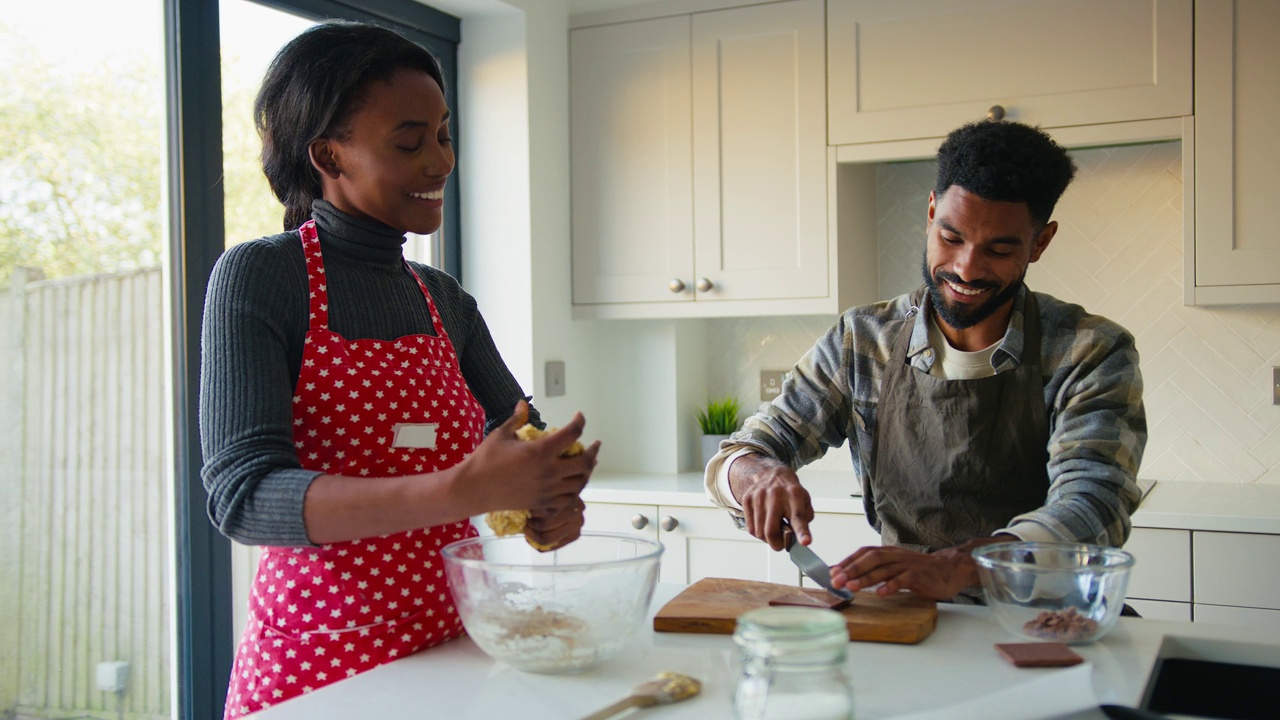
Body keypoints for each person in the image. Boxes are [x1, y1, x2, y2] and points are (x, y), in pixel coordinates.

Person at [198, 21, 600, 718]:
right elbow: (243, 495)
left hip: (457, 655)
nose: (440, 162)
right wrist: (455, 491)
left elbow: (524, 445)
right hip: (319, 667)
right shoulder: (262, 276)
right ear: (329, 154)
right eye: (409, 142)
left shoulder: (446, 301)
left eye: (443, 136)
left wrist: (550, 501)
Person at [704, 120, 1146, 604]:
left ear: (1040, 243)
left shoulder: (1089, 350)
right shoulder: (863, 340)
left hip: (1041, 617)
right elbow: (743, 452)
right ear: (931, 212)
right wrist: (756, 474)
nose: (966, 268)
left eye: (999, 249)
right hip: (907, 612)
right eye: (951, 237)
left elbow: (1095, 502)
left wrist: (964, 564)